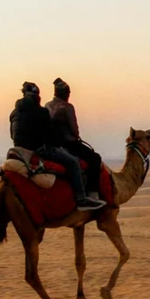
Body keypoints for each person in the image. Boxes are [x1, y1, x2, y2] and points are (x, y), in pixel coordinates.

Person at [10, 81, 104, 211]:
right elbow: (55, 134)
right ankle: (82, 198)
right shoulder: (45, 111)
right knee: (74, 163)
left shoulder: (14, 113)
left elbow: (12, 135)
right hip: (40, 150)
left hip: (19, 150)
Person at [43, 78, 105, 210]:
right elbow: (74, 130)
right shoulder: (67, 107)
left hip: (52, 145)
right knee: (95, 158)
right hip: (68, 144)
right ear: (66, 93)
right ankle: (91, 195)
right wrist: (75, 136)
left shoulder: (47, 106)